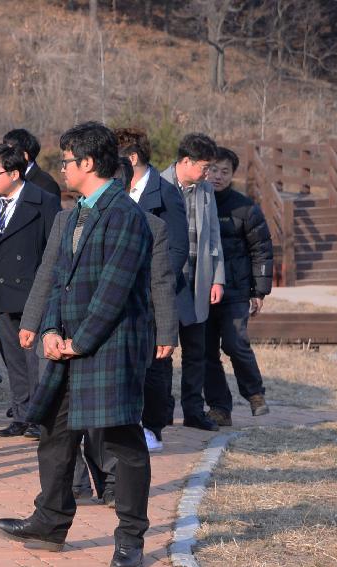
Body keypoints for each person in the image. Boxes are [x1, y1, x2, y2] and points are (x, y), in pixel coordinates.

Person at [0, 122, 153, 567]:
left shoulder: (126, 216)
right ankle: (50, 521)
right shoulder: (73, 215)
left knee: (121, 444)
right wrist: (48, 331)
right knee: (55, 433)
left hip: (107, 349)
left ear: (87, 163)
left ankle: (130, 541)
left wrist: (78, 343)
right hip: (66, 347)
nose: (60, 168)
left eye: (65, 161)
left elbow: (114, 291)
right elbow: (57, 283)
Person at [71, 156, 179, 508]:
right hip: (78, 333)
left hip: (126, 334)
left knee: (118, 417)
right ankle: (84, 483)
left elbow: (161, 282)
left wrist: (166, 331)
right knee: (84, 419)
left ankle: (117, 485)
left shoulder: (150, 226)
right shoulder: (74, 221)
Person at [115, 127, 188, 451]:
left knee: (156, 363)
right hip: (123, 294)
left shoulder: (165, 192)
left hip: (153, 292)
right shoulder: (118, 191)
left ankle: (153, 426)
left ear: (130, 158)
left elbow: (177, 248)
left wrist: (153, 281)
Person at [0, 143, 60, 440]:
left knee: (36, 361)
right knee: (13, 358)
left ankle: (41, 419)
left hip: (34, 293)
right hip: (3, 295)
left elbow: (53, 252)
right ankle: (21, 414)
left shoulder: (44, 202)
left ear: (14, 173)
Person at [161, 133, 225, 432]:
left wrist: (217, 278)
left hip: (197, 280)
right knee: (161, 352)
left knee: (196, 352)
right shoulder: (158, 185)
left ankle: (193, 410)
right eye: (205, 166)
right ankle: (159, 411)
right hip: (166, 282)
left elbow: (213, 236)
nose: (208, 173)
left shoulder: (205, 190)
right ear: (185, 161)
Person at [204, 147, 272, 425]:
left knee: (235, 343)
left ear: (233, 175)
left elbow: (261, 250)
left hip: (235, 291)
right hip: (201, 292)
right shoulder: (193, 202)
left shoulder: (245, 208)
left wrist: (259, 291)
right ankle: (220, 408)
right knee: (206, 352)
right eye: (214, 170)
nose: (218, 177)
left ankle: (255, 393)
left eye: (225, 172)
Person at [3, 128, 62, 198]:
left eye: (8, 153)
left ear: (25, 156)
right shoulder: (5, 181)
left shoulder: (46, 185)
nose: (3, 157)